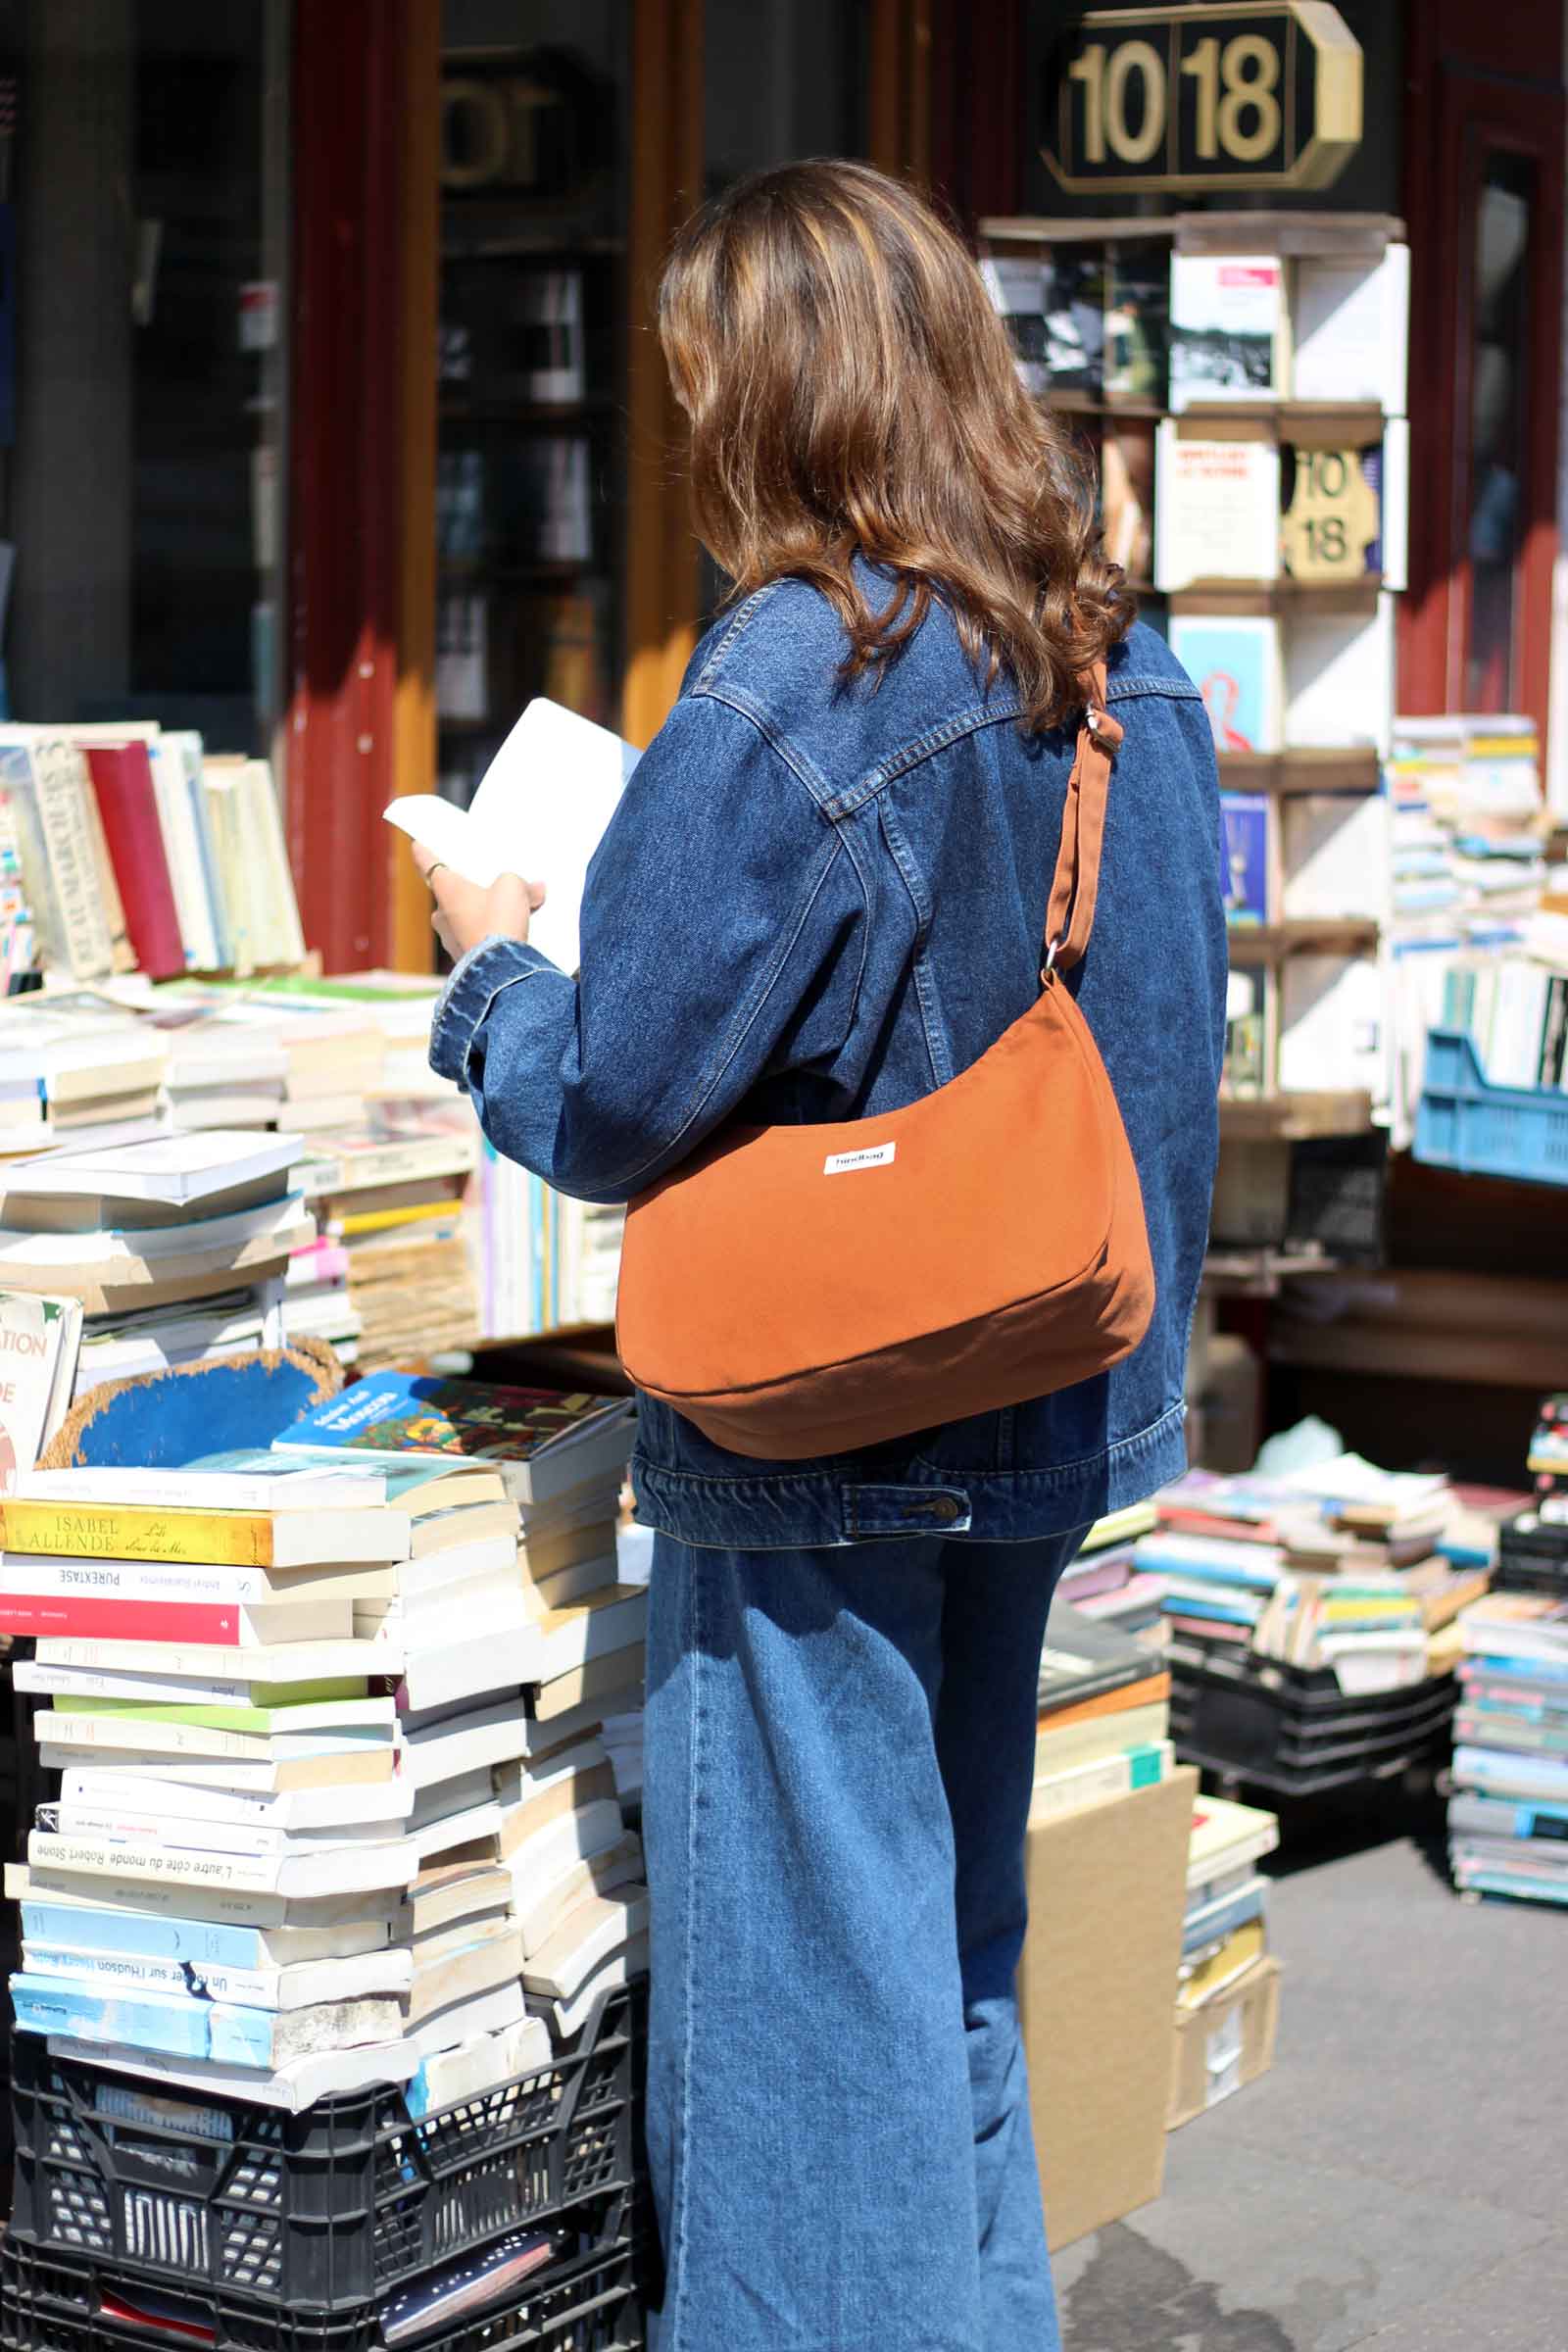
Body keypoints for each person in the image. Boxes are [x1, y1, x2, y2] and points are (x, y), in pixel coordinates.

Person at [417, 160, 1224, 2352]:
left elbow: (617, 1098)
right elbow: (1152, 1054)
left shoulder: (799, 670)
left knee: (801, 2045)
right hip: (1049, 1386)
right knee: (941, 1964)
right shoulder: (1113, 656)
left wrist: (492, 975)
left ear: (759, 399)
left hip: (829, 1419)